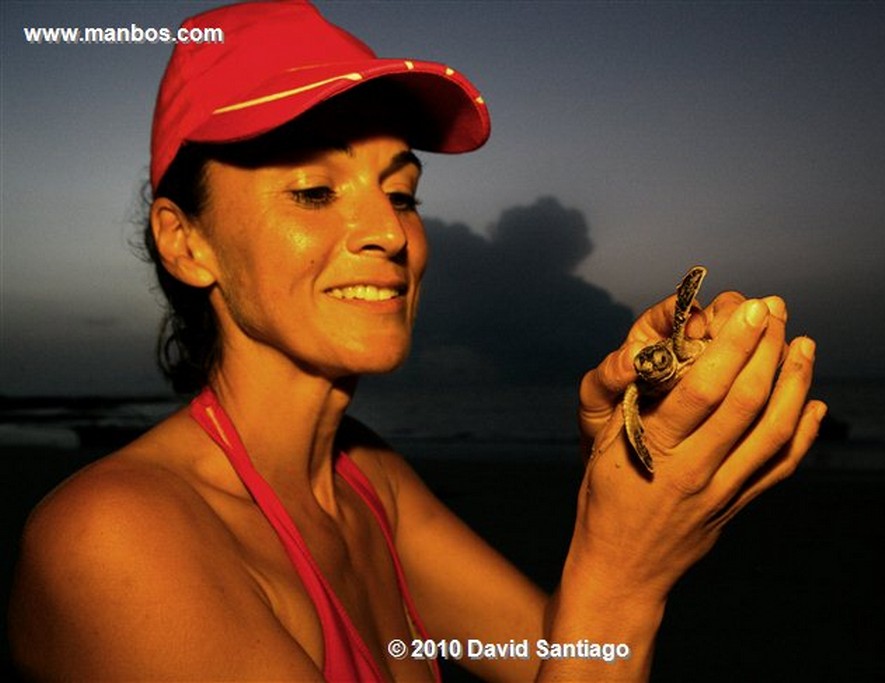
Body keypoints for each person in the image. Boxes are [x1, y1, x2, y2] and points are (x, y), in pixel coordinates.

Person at [8, 1, 826, 680]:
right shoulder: (114, 538)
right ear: (187, 243)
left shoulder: (373, 483)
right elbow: (602, 626)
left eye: (402, 193)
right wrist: (623, 572)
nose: (388, 234)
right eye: (315, 190)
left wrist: (624, 472)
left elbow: (563, 650)